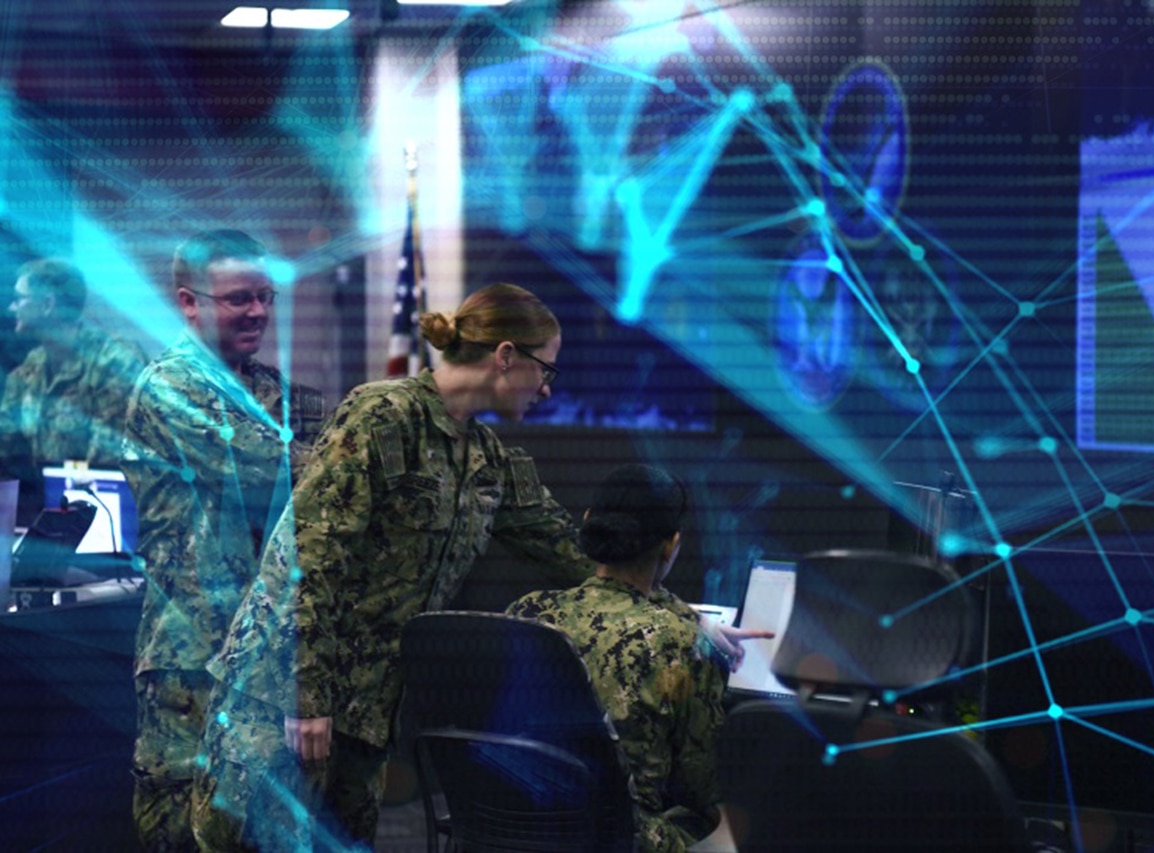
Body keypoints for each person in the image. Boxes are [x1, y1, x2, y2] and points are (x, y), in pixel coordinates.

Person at [192, 282, 600, 851]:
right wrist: (307, 698)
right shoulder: (382, 415)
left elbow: (571, 551)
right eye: (545, 369)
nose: (549, 388)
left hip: (367, 716)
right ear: (506, 355)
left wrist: (680, 616)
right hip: (285, 696)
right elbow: (309, 559)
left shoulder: (487, 458)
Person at [121, 229, 325, 852]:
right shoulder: (171, 386)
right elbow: (285, 466)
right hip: (193, 657)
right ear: (189, 302)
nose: (259, 312)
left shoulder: (277, 392)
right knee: (183, 830)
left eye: (266, 296)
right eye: (239, 299)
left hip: (266, 654)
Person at [506, 463, 726, 852]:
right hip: (618, 835)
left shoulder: (526, 613)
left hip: (512, 821)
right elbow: (701, 785)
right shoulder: (681, 642)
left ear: (588, 522)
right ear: (671, 545)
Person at [0, 258, 147, 523]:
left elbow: (112, 457)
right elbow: (6, 447)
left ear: (47, 305)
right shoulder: (30, 369)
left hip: (115, 517)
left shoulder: (115, 361)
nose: (12, 308)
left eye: (20, 299)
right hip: (55, 517)